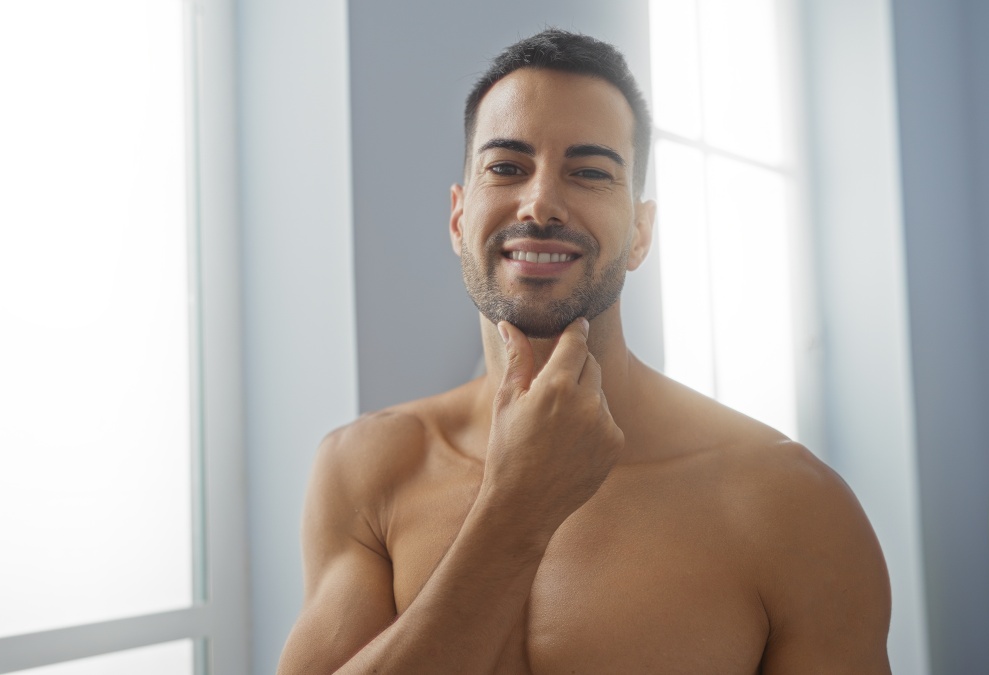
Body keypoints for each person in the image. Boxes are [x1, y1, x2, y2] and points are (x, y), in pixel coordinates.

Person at [277, 29, 891, 674]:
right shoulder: (367, 468)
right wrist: (517, 507)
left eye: (591, 173)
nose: (540, 202)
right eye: (507, 167)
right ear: (460, 220)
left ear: (640, 233)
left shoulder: (792, 505)